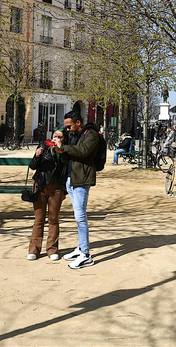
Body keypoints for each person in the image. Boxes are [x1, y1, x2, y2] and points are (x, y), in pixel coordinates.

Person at [55, 111, 100, 270]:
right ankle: (81, 248)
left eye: (69, 126)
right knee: (77, 217)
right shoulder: (74, 136)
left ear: (78, 123)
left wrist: (65, 147)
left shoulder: (91, 135)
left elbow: (82, 152)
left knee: (80, 217)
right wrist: (61, 152)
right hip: (71, 179)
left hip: (82, 180)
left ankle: (86, 255)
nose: (67, 129)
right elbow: (71, 157)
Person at [27, 130, 67, 261]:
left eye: (59, 137)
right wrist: (37, 156)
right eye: (55, 136)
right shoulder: (44, 146)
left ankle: (52, 249)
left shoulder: (66, 151)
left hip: (56, 187)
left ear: (64, 139)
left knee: (53, 219)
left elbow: (66, 171)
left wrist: (61, 150)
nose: (56, 139)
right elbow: (32, 166)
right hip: (40, 186)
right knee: (38, 219)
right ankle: (34, 249)